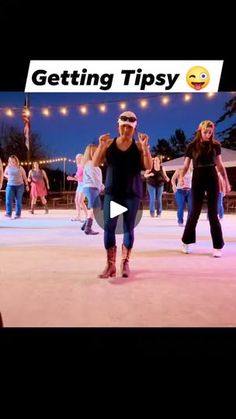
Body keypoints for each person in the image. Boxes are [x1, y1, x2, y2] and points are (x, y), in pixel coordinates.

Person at [92, 110, 152, 278]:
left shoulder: (139, 146)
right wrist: (101, 146)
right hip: (113, 192)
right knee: (109, 228)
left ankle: (125, 263)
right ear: (118, 126)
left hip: (132, 193)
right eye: (123, 126)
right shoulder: (109, 144)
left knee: (128, 228)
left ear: (135, 128)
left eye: (130, 128)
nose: (126, 130)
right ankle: (110, 265)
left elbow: (148, 166)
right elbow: (95, 162)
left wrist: (146, 148)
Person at [180, 120, 231, 257]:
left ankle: (218, 246)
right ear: (200, 131)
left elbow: (220, 165)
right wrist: (180, 178)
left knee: (213, 213)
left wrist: (226, 181)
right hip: (197, 176)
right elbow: (185, 166)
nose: (208, 135)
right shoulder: (192, 146)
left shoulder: (215, 146)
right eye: (205, 132)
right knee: (194, 212)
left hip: (211, 176)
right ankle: (186, 241)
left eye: (210, 132)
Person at [81, 144, 104, 235]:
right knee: (94, 208)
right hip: (92, 187)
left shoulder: (89, 164)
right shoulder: (91, 164)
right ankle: (88, 228)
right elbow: (94, 177)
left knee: (96, 208)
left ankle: (85, 225)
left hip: (91, 187)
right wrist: (101, 187)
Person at [4, 155, 29, 219]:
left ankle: (18, 214)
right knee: (8, 200)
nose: (12, 162)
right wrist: (7, 176)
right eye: (10, 161)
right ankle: (8, 213)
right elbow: (4, 174)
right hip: (10, 185)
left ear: (16, 160)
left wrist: (27, 185)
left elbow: (24, 177)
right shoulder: (8, 167)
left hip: (19, 186)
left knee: (18, 200)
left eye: (13, 161)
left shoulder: (20, 168)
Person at [67, 153, 88, 222]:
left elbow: (83, 178)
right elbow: (78, 178)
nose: (76, 160)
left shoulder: (84, 166)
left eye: (78, 158)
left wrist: (72, 179)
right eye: (76, 159)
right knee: (76, 200)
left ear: (81, 158)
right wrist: (73, 178)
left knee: (80, 201)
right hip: (79, 185)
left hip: (84, 185)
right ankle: (78, 216)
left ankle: (87, 217)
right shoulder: (78, 166)